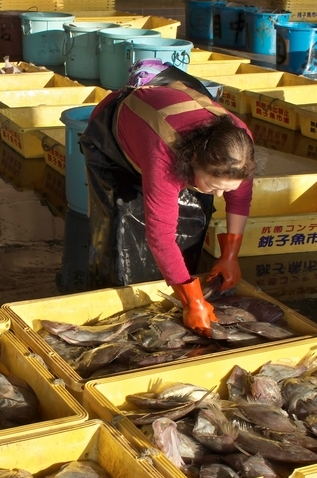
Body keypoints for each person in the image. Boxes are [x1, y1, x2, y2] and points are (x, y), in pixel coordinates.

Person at [80, 66, 256, 337]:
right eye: (216, 186)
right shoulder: (164, 159)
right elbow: (160, 236)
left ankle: (182, 282)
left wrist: (231, 255)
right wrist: (192, 301)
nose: (221, 195)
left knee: (194, 216)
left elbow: (240, 195)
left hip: (170, 120)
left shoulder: (238, 146)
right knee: (123, 231)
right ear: (193, 162)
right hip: (115, 137)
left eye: (225, 188)